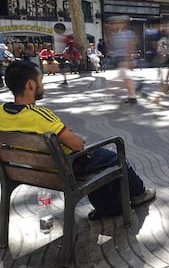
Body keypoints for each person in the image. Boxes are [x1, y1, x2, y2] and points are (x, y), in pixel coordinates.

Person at [0, 61, 156, 220]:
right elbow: (77, 145)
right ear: (31, 85)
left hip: (31, 171)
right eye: (41, 81)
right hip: (67, 168)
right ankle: (140, 194)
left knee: (101, 161)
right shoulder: (40, 116)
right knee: (115, 157)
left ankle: (110, 207)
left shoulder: (1, 113)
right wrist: (74, 138)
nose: (43, 86)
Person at [105, 15, 138, 104]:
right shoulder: (114, 34)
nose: (113, 25)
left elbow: (131, 46)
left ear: (122, 24)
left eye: (115, 23)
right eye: (112, 23)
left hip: (124, 58)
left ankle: (132, 95)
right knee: (124, 77)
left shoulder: (128, 33)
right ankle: (132, 95)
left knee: (124, 77)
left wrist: (129, 59)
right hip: (118, 58)